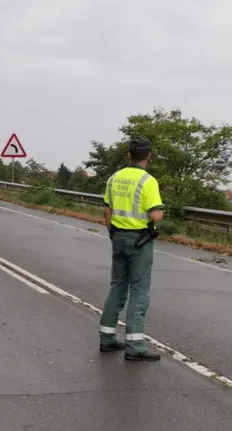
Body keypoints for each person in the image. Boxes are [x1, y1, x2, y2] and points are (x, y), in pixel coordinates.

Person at [98, 138, 164, 361]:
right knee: (139, 290)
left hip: (118, 238)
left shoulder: (114, 178)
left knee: (117, 287)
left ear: (129, 155)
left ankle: (107, 338)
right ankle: (134, 346)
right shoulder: (148, 181)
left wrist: (113, 234)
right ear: (149, 156)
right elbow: (156, 215)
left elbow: (107, 211)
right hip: (140, 242)